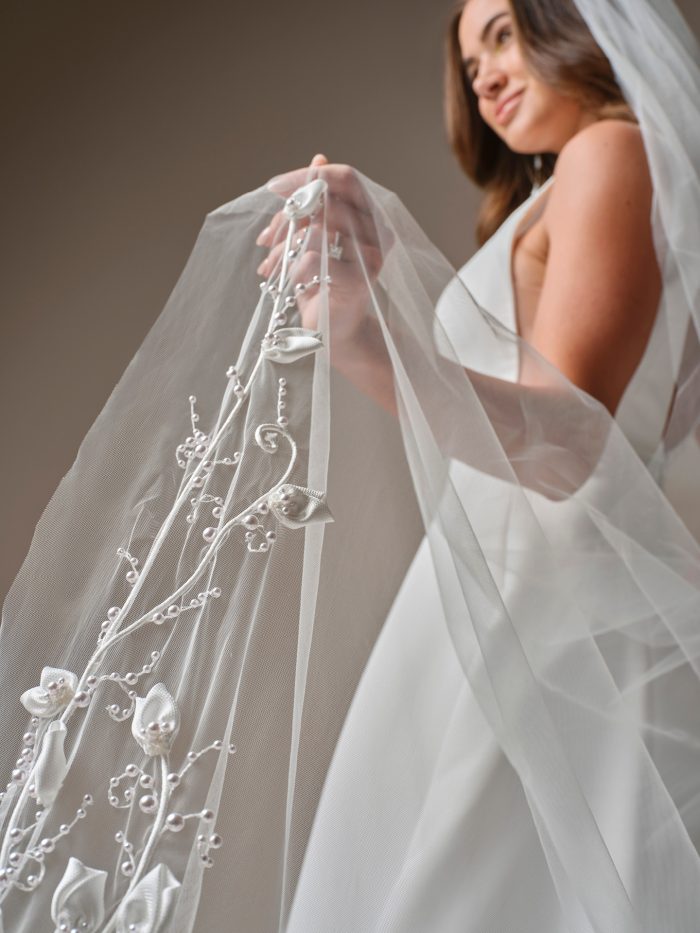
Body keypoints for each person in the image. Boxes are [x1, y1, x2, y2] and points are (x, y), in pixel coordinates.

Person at [1, 0, 699, 930]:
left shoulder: (611, 152)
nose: (484, 75)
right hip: (529, 596)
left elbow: (573, 443)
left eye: (502, 34)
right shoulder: (579, 182)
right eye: (468, 59)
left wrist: (373, 342)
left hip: (549, 610)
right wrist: (366, 337)